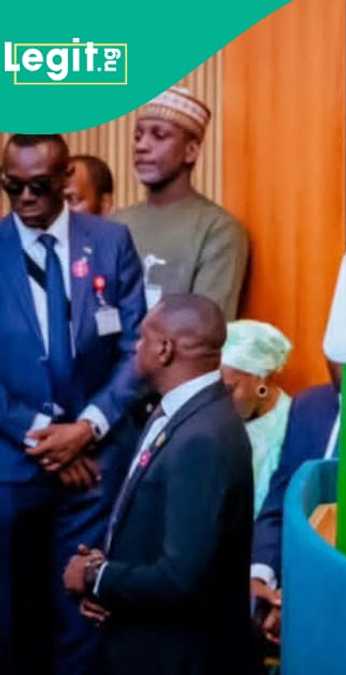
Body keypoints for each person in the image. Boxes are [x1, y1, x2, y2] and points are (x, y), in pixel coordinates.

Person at [0, 134, 145, 675]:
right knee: (12, 619)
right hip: (13, 467)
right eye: (11, 186)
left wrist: (86, 428)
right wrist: (46, 436)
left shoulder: (110, 241)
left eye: (38, 186)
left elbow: (135, 348)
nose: (24, 198)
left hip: (95, 467)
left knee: (82, 617)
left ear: (66, 179)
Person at [62, 294, 255, 675]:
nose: (136, 347)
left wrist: (93, 576)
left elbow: (182, 577)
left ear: (164, 349)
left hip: (179, 658)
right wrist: (108, 585)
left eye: (142, 338)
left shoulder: (203, 437)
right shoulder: (180, 412)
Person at [112, 86, 249, 319]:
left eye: (159, 135)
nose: (141, 146)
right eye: (138, 136)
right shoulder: (116, 223)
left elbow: (205, 328)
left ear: (191, 151)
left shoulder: (218, 230)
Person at [250, 360, 342, 648]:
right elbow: (280, 501)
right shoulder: (309, 406)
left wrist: (304, 597)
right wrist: (261, 576)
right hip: (285, 593)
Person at [220, 319, 294, 515]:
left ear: (261, 378)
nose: (219, 401)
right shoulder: (214, 420)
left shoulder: (291, 428)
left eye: (229, 389)